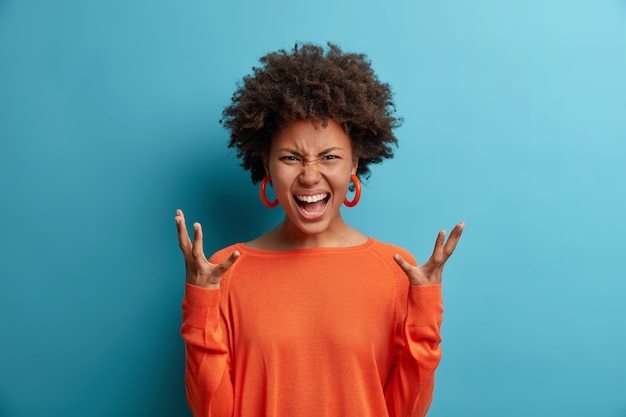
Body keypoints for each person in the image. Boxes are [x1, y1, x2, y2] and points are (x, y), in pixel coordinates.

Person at [175, 42, 464, 417]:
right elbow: (210, 411)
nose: (310, 175)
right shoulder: (226, 271)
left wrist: (425, 311)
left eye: (329, 157)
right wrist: (201, 302)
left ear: (354, 162)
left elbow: (406, 411)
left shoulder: (397, 270)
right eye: (291, 158)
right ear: (266, 163)